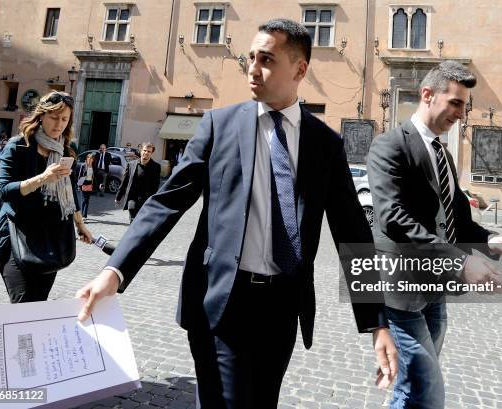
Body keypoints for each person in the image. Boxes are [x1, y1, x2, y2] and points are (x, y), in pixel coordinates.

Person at [76, 19, 397, 409]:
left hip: (283, 307)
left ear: (299, 70)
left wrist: (378, 320)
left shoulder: (324, 144)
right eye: (251, 57)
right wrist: (116, 270)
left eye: (267, 60)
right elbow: (167, 200)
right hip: (222, 300)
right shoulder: (219, 125)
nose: (252, 68)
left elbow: (352, 231)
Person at [367, 61, 502, 409]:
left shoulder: (444, 155)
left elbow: (459, 221)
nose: (461, 113)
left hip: (435, 289)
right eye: (455, 102)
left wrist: (490, 241)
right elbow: (392, 218)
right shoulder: (389, 146)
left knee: (412, 386)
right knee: (429, 389)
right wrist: (460, 261)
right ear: (427, 95)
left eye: (464, 105)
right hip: (401, 292)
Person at [0, 91, 93, 303]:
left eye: (64, 119)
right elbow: (5, 191)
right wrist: (43, 178)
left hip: (48, 240)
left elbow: (70, 191)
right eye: (54, 117)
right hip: (15, 236)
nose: (59, 124)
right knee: (24, 301)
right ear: (41, 115)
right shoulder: (17, 146)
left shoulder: (66, 152)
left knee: (39, 302)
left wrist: (80, 225)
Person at [115, 142, 161, 223]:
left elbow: (155, 186)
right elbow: (125, 182)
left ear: (151, 153)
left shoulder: (156, 167)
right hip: (132, 200)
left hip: (146, 201)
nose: (146, 153)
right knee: (133, 221)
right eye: (144, 150)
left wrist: (154, 202)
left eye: (149, 151)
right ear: (141, 151)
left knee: (142, 224)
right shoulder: (131, 164)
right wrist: (118, 197)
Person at [77, 153, 96, 221]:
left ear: (93, 160)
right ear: (86, 158)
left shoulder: (93, 166)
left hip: (90, 184)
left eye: (91, 158)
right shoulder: (83, 165)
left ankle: (85, 215)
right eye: (89, 158)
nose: (90, 159)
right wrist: (79, 186)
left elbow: (94, 176)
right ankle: (82, 215)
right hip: (84, 184)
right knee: (84, 200)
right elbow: (79, 176)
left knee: (87, 200)